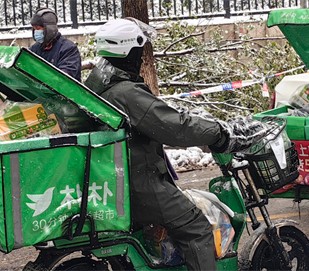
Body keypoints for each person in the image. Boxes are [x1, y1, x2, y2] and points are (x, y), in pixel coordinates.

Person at [84, 18, 269, 271]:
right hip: (141, 184)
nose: (141, 57)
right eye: (140, 51)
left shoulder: (99, 83)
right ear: (129, 51)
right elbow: (175, 128)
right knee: (198, 228)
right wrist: (219, 133)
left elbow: (155, 117)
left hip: (118, 178)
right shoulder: (125, 92)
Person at [30, 8, 82, 81]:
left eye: (38, 29)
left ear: (49, 29)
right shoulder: (35, 48)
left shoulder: (68, 49)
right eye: (34, 29)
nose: (36, 32)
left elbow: (65, 77)